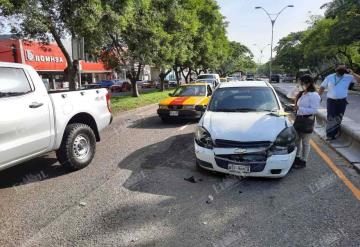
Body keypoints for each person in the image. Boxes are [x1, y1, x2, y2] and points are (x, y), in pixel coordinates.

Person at [319, 63, 360, 140]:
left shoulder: (349, 77)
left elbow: (359, 80)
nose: (342, 70)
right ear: (335, 69)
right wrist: (318, 97)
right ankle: (329, 135)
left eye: (344, 68)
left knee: (339, 117)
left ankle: (334, 134)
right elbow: (322, 87)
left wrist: (353, 73)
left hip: (342, 101)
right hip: (331, 101)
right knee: (331, 117)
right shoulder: (329, 77)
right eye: (340, 68)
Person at [293, 75, 321, 169]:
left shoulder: (314, 95)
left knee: (305, 142)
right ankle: (296, 158)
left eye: (301, 83)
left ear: (308, 83)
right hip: (299, 119)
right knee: (297, 140)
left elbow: (314, 110)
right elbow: (289, 95)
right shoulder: (302, 93)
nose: (300, 84)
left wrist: (299, 108)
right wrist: (297, 88)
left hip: (307, 120)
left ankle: (303, 161)